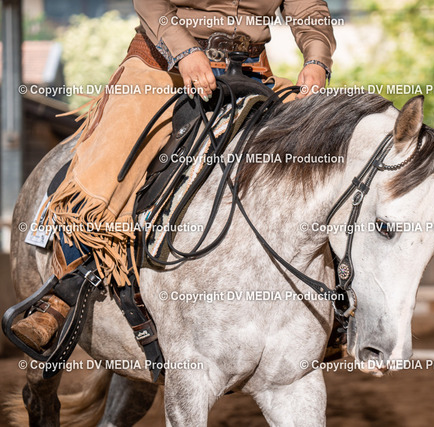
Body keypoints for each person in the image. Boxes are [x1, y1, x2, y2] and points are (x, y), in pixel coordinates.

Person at [12, 0, 336, 352]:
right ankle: (62, 293)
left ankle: (334, 301)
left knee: (321, 161)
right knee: (110, 162)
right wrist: (185, 51)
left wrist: (317, 60)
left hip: (251, 73)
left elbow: (308, 9)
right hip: (162, 68)